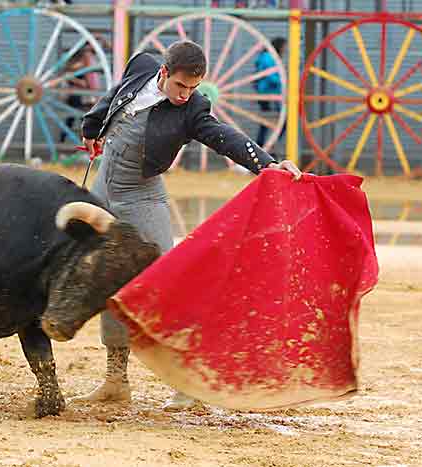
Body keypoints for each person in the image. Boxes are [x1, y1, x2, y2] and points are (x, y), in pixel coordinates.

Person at [77, 40, 301, 410]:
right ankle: (116, 380)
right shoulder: (142, 65)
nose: (186, 95)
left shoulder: (193, 109)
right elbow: (114, 95)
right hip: (103, 190)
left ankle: (187, 382)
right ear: (164, 73)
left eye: (193, 88)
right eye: (181, 86)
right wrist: (91, 126)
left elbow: (223, 136)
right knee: (109, 283)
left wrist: (267, 164)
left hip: (142, 198)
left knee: (168, 287)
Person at [255, 37, 286, 148]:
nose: (284, 50)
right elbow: (270, 76)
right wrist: (284, 83)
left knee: (267, 122)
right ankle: (268, 145)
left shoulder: (267, 57)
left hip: (270, 94)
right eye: (283, 47)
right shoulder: (268, 58)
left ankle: (265, 145)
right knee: (277, 121)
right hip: (269, 94)